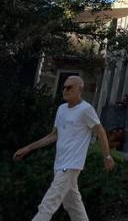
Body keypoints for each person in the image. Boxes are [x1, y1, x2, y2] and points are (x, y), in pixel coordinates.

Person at [13, 75, 115, 221]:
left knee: (48, 204)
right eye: (64, 87)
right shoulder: (61, 109)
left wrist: (107, 156)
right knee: (74, 206)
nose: (65, 90)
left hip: (71, 165)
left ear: (80, 89)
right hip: (60, 165)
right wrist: (28, 148)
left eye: (69, 87)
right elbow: (53, 136)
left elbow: (100, 132)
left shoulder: (86, 109)